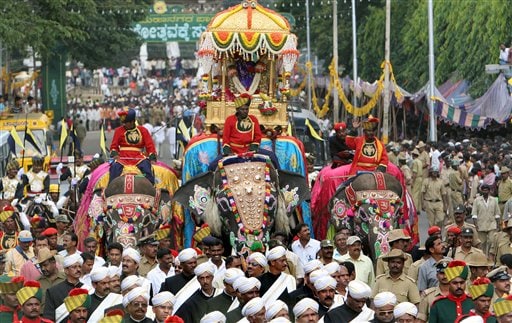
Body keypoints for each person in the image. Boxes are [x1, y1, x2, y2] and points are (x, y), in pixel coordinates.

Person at [109, 108, 157, 184]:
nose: (124, 124)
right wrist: (115, 154)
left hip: (139, 157)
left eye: (126, 122)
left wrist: (152, 156)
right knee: (114, 170)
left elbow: (150, 145)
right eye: (123, 122)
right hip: (122, 158)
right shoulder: (118, 130)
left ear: (132, 122)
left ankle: (150, 187)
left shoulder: (143, 130)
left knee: (147, 172)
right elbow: (114, 146)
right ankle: (110, 190)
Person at [472, 184, 501, 254]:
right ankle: (483, 257)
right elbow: (474, 214)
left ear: (489, 191)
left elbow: (497, 214)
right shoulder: (477, 200)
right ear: (481, 191)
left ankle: (491, 256)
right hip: (481, 224)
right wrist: (476, 225)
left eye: (486, 190)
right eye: (484, 190)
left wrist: (498, 225)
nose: (485, 192)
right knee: (482, 243)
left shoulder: (494, 200)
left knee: (492, 241)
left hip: (492, 224)